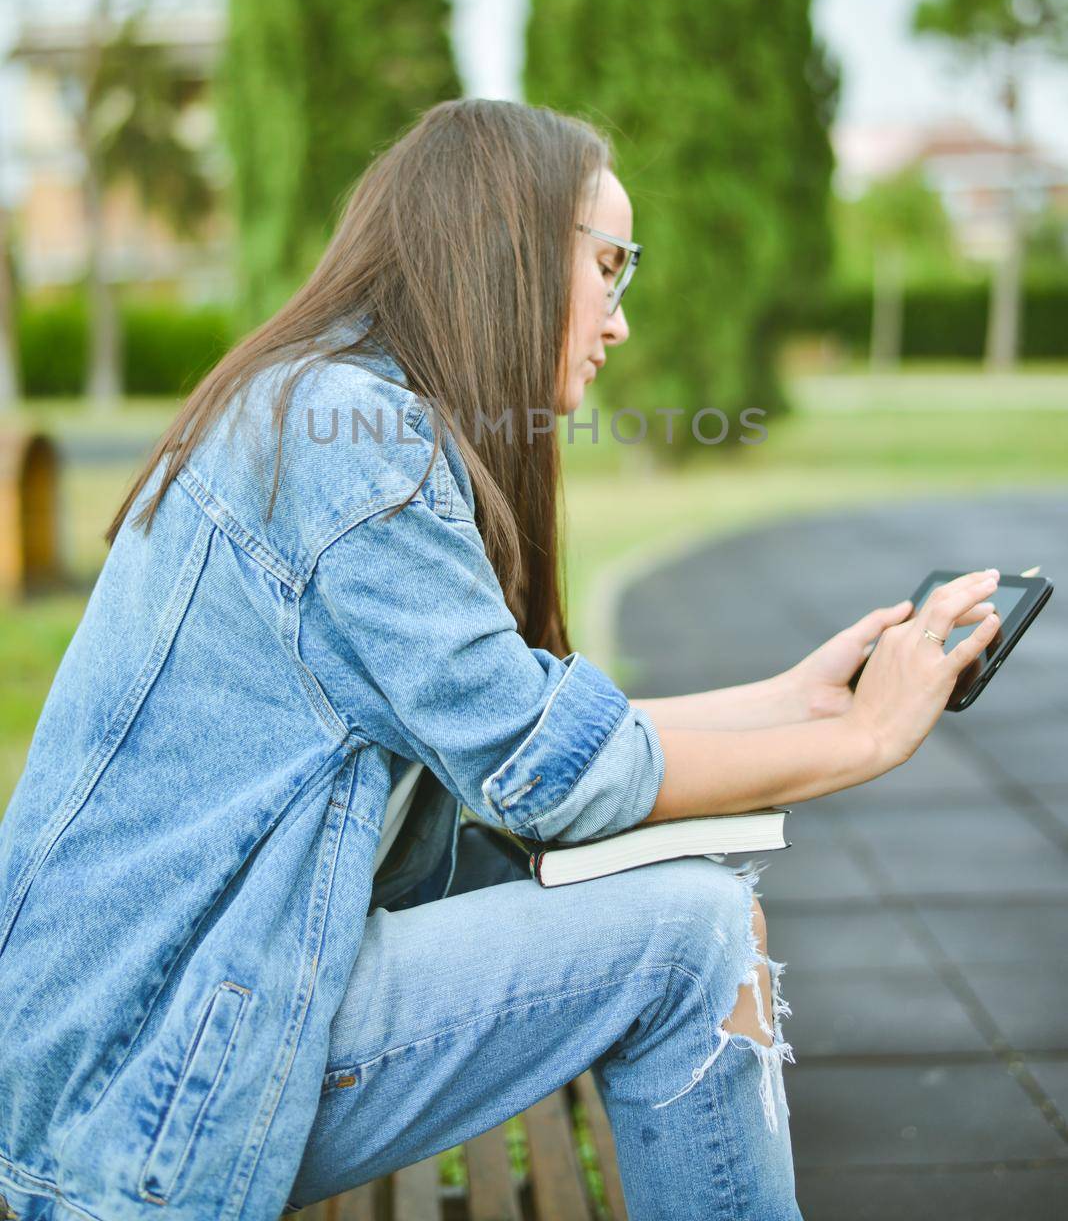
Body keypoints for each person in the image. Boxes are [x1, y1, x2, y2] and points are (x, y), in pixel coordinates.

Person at [0, 99, 1001, 1221]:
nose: (621, 317)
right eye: (613, 265)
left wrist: (795, 702)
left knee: (695, 919)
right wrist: (862, 740)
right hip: (135, 1089)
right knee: (690, 938)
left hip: (150, 1040)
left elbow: (526, 727)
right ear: (512, 250)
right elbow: (549, 775)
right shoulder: (353, 442)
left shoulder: (327, 405)